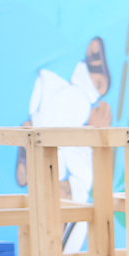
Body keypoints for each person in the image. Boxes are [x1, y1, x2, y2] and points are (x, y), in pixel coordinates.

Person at [14, 37, 112, 201]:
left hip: (50, 169)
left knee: (52, 128)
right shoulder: (77, 180)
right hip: (60, 174)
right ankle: (90, 85)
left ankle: (91, 85)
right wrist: (91, 132)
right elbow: (81, 174)